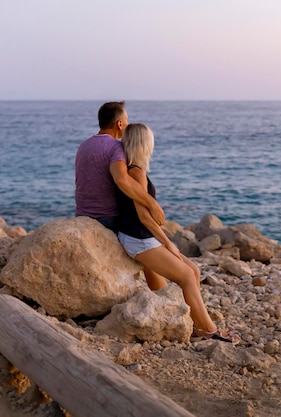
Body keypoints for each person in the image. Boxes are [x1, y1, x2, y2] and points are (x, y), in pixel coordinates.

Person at [117, 123, 239, 344]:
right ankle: (209, 330)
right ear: (144, 144)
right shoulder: (137, 173)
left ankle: (195, 324)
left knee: (192, 270)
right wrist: (168, 243)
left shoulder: (133, 170)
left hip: (143, 236)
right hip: (138, 239)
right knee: (186, 276)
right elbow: (144, 217)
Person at [75, 101, 164, 232]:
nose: (127, 125)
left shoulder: (84, 145)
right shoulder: (116, 147)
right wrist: (153, 205)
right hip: (107, 219)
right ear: (120, 124)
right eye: (126, 121)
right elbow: (122, 179)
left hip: (81, 214)